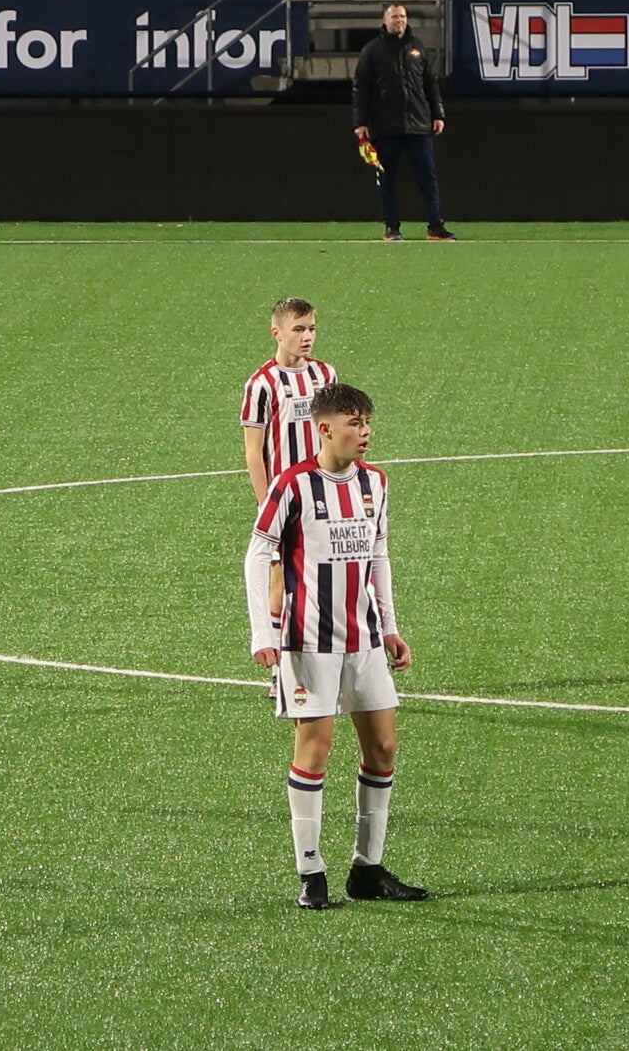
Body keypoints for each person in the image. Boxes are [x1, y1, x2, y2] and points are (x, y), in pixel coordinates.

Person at [246, 382, 426, 909]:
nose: (365, 432)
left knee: (383, 747)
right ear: (324, 428)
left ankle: (367, 868)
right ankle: (311, 873)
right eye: (354, 423)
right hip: (309, 641)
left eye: (367, 422)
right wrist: (263, 633)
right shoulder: (294, 485)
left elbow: (380, 555)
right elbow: (258, 555)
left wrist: (390, 626)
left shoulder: (376, 483)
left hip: (364, 637)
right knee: (315, 750)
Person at [241, 297, 338, 719]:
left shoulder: (325, 374)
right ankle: (280, 668)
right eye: (298, 329)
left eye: (311, 328)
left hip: (323, 494)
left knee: (325, 576)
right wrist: (267, 503)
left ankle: (326, 660)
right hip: (285, 499)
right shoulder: (261, 384)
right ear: (277, 333)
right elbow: (254, 451)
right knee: (281, 581)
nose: (307, 336)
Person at [352, 3, 455, 242]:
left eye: (403, 16)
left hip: (418, 125)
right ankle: (391, 227)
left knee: (427, 177)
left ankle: (435, 226)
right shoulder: (372, 51)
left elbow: (431, 84)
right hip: (385, 127)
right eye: (394, 16)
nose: (399, 20)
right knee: (386, 178)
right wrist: (360, 122)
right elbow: (360, 89)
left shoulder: (418, 47)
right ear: (384, 20)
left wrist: (438, 114)